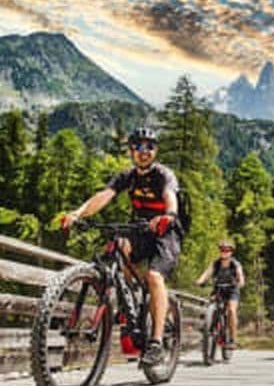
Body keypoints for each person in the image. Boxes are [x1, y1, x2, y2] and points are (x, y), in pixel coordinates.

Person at [61, 127, 183, 367]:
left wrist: (169, 214)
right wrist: (77, 213)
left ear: (155, 151)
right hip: (140, 228)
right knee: (120, 247)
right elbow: (104, 195)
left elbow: (170, 196)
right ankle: (131, 305)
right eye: (138, 146)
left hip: (166, 232)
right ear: (131, 151)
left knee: (154, 276)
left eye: (148, 146)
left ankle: (157, 342)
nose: (143, 151)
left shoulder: (163, 175)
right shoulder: (127, 176)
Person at [195, 240, 245, 349]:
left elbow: (240, 275)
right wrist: (200, 280)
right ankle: (207, 328)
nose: (224, 252)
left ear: (231, 252)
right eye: (222, 250)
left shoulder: (235, 264)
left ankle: (232, 338)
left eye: (227, 250)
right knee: (209, 306)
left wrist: (240, 282)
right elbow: (207, 272)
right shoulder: (216, 263)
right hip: (218, 289)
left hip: (232, 289)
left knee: (231, 310)